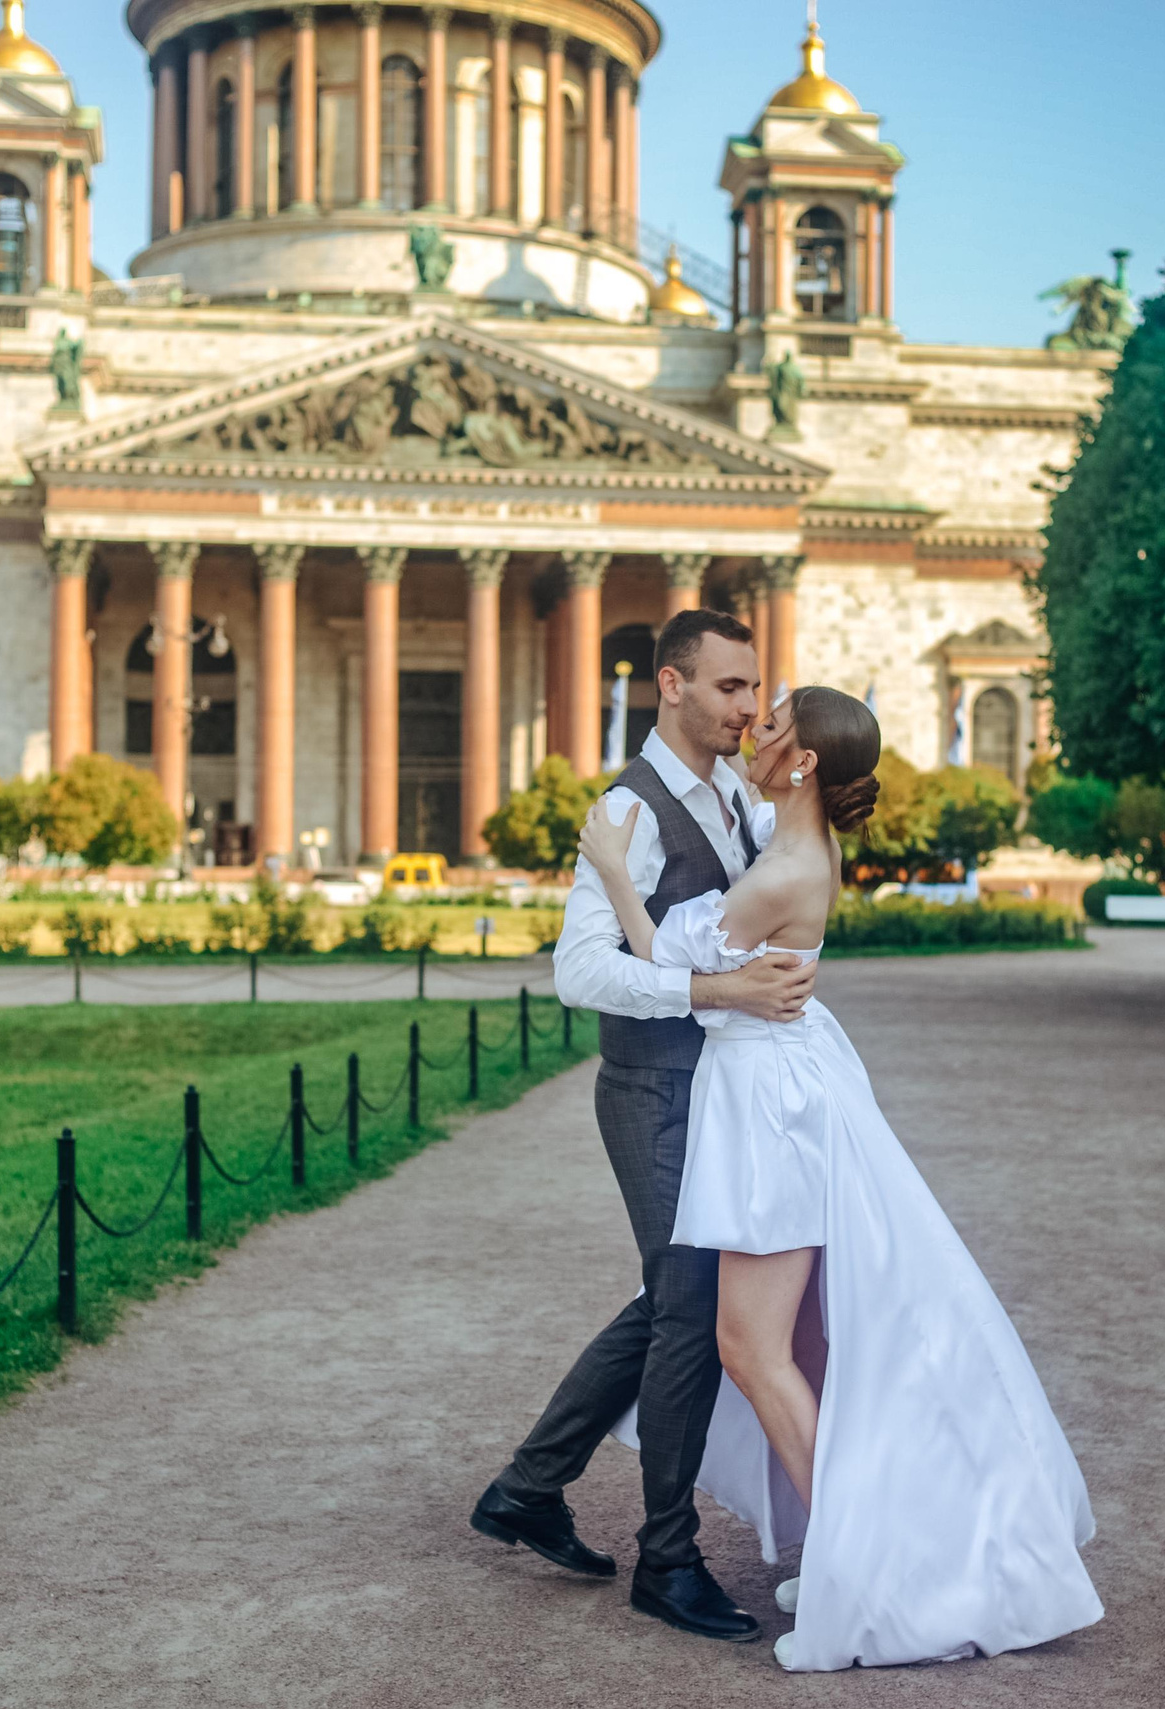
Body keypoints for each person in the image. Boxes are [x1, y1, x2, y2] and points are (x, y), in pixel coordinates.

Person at [578, 686, 1102, 1672]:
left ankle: (874, 1570)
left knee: (752, 1346)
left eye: (772, 724)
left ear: (806, 761)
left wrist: (613, 868)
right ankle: (853, 1551)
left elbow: (663, 964)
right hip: (781, 1085)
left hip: (767, 1107)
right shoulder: (792, 846)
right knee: (799, 1344)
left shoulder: (783, 868)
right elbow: (728, 976)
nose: (754, 728)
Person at [470, 608, 814, 1645]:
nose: (748, 706)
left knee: (669, 1299)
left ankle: (529, 1486)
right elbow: (579, 970)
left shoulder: (734, 798)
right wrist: (717, 990)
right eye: (729, 687)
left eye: (754, 687)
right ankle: (666, 1558)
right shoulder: (628, 807)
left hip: (715, 1091)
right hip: (654, 1091)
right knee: (689, 1310)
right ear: (671, 684)